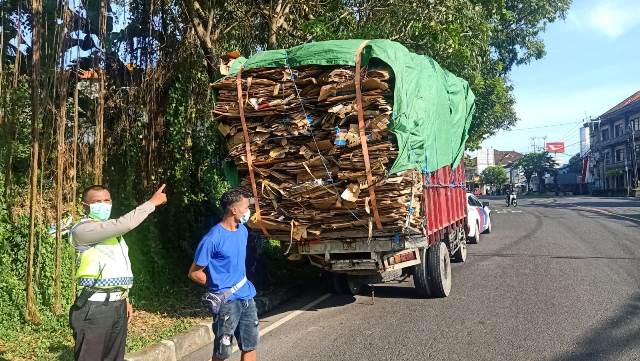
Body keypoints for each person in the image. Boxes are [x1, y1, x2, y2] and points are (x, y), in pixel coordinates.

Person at [69, 184, 168, 361]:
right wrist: (151, 203)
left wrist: (125, 298)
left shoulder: (113, 235)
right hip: (94, 307)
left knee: (115, 357)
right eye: (97, 201)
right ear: (85, 206)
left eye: (107, 200)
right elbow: (124, 224)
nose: (103, 204)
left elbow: (117, 267)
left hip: (117, 306)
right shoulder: (82, 230)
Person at [188, 188, 259, 361]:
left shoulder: (242, 231)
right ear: (233, 210)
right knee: (222, 352)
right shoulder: (212, 239)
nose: (247, 211)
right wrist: (216, 286)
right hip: (227, 303)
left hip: (247, 297)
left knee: (250, 345)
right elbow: (194, 273)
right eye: (244, 207)